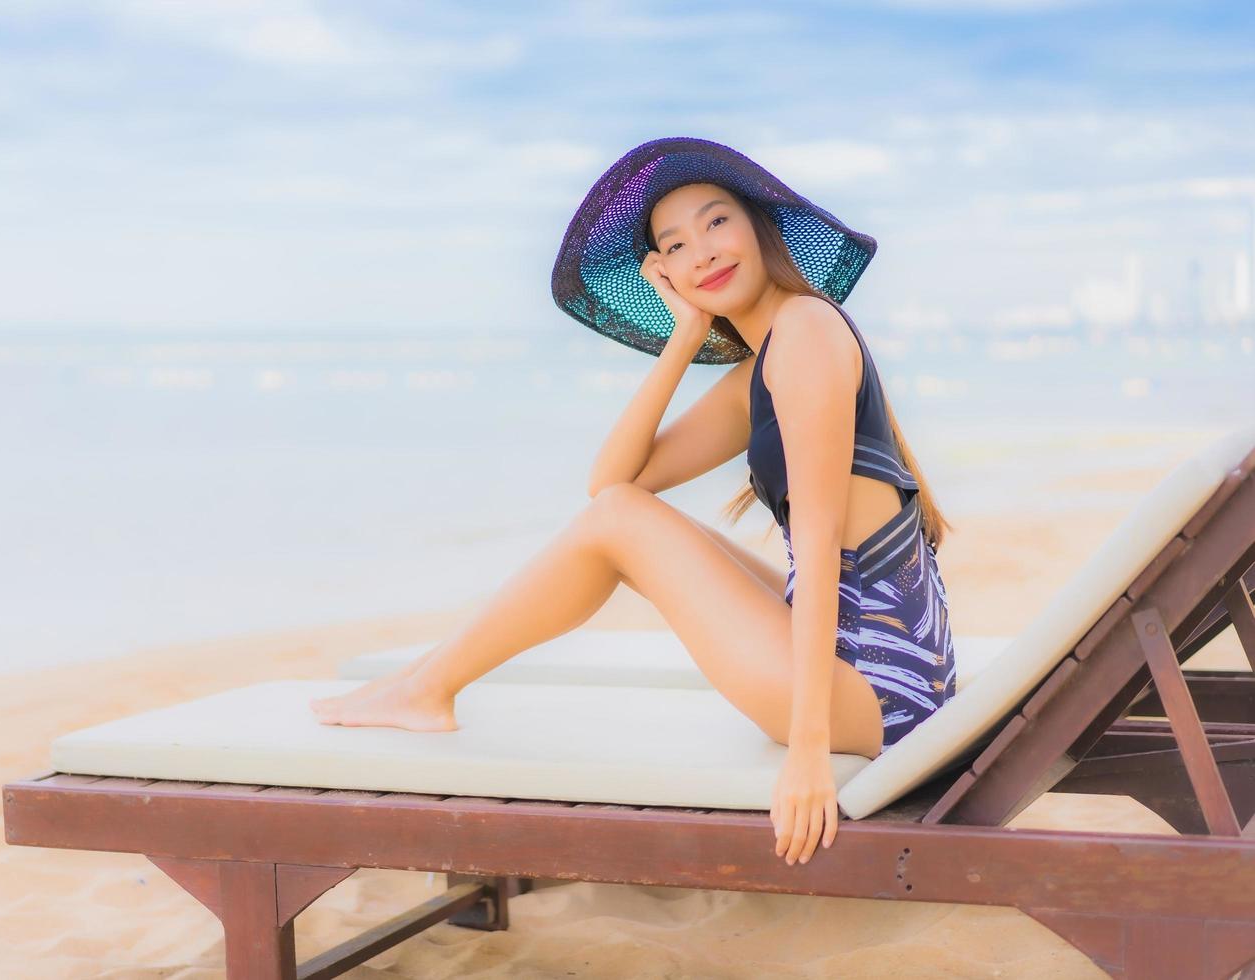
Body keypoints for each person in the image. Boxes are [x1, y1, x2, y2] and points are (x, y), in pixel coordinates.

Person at [309, 137, 958, 867]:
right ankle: (421, 682)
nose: (702, 252)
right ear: (666, 274)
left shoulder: (806, 330)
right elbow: (615, 479)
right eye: (675, 245)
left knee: (620, 525)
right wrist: (684, 336)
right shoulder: (765, 364)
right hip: (885, 665)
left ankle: (424, 689)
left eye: (717, 223)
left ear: (760, 228)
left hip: (874, 687)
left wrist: (806, 752)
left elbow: (812, 532)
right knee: (624, 513)